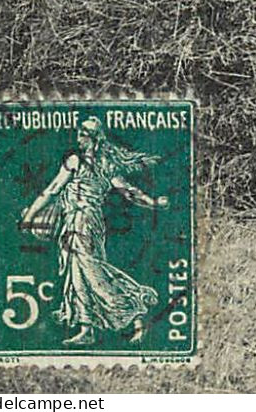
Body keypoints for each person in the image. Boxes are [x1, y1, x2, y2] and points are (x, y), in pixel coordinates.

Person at [20, 117, 167, 346]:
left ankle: (135, 309)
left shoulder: (76, 161)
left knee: (91, 272)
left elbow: (53, 189)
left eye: (83, 134)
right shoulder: (105, 165)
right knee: (78, 273)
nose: (78, 138)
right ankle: (87, 328)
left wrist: (29, 217)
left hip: (83, 224)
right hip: (80, 223)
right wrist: (154, 202)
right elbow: (129, 191)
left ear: (93, 139)